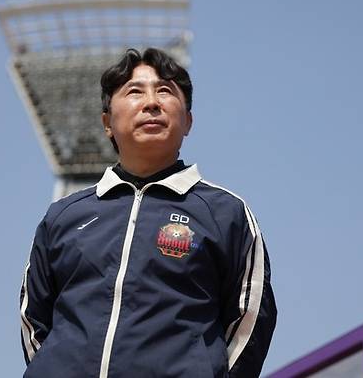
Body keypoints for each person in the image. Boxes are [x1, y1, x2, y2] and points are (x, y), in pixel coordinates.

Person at [19, 48, 277, 378]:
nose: (151, 103)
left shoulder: (226, 213)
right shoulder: (64, 216)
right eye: (135, 92)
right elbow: (34, 320)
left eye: (165, 91)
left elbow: (250, 321)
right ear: (107, 123)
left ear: (188, 121)